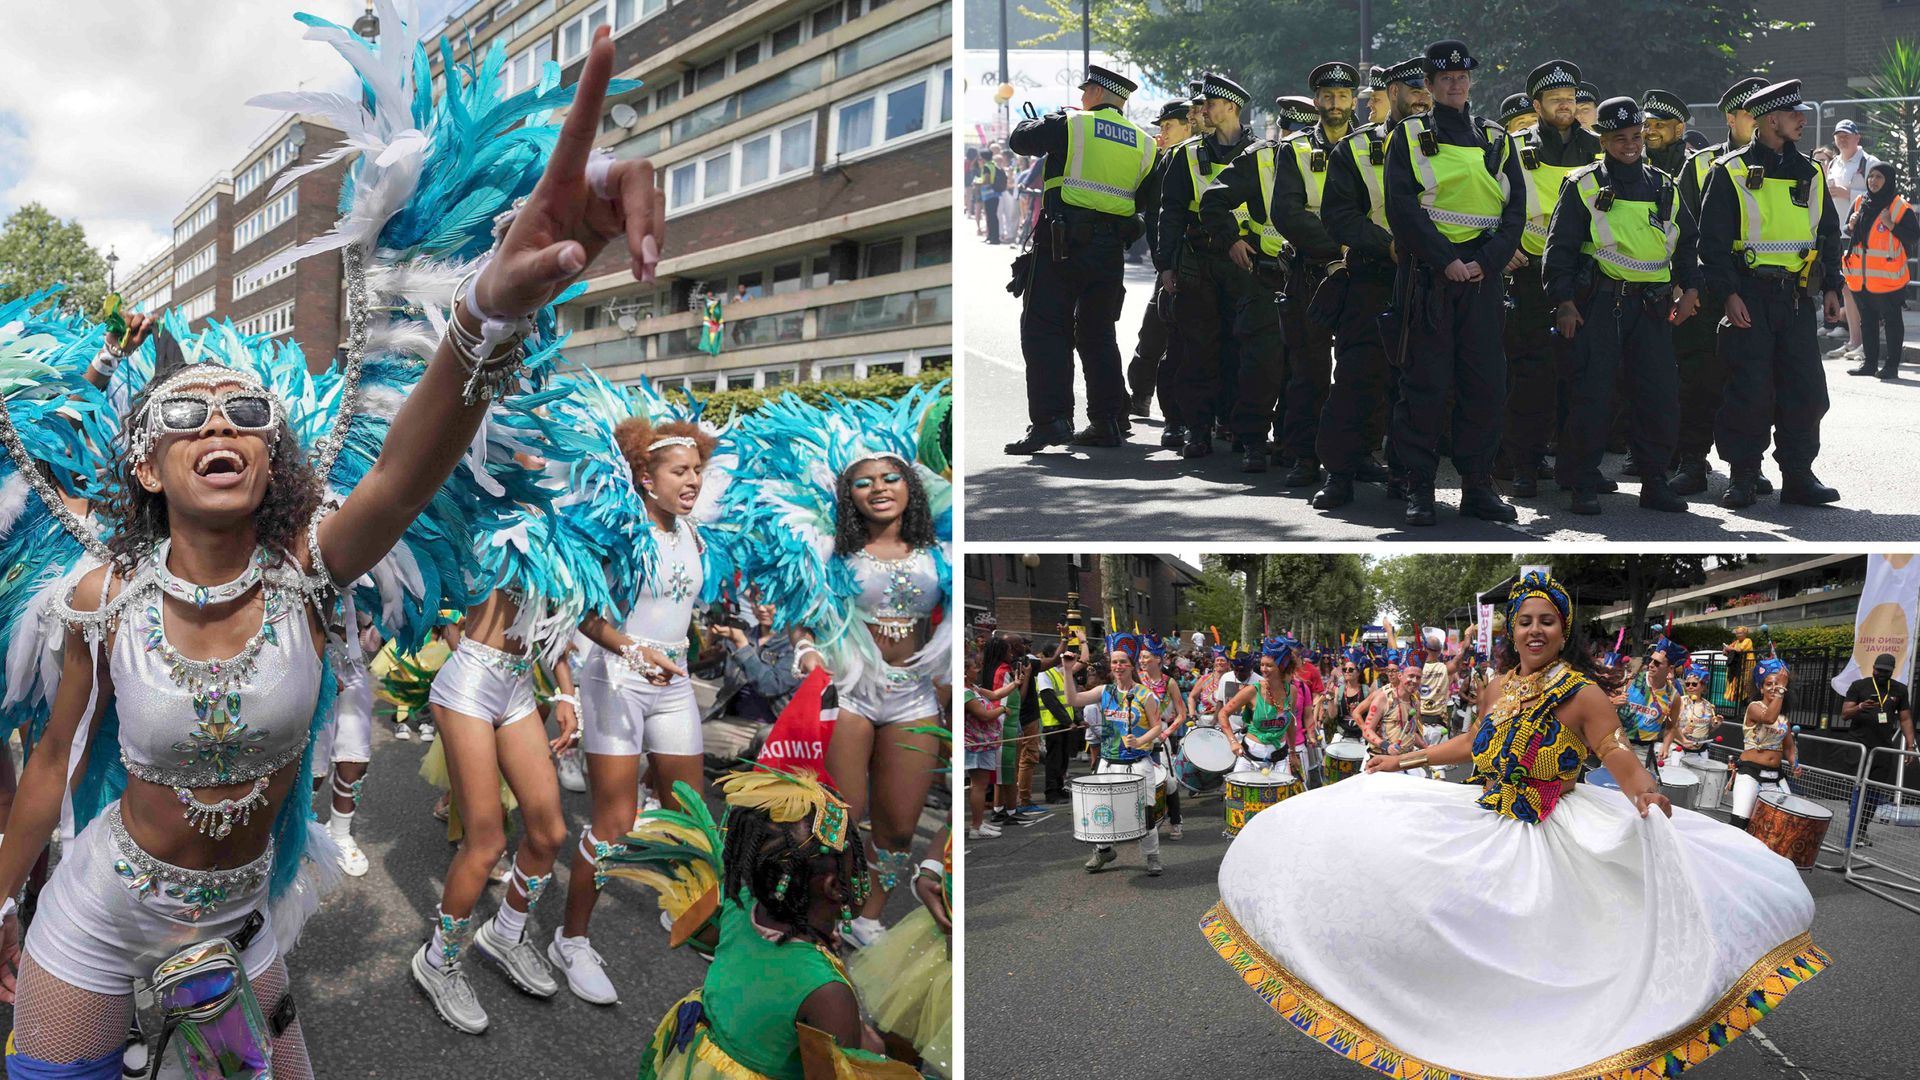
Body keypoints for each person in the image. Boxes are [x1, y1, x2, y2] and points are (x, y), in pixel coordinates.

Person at [1204, 571, 1825, 1080]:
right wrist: (1402, 759)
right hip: (1484, 811)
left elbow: (1619, 757)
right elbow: (1473, 743)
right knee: (1387, 867)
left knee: (1537, 944)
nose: (1533, 629)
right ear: (1513, 629)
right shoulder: (1497, 685)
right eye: (1524, 620)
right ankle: (1441, 1019)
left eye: (1545, 620)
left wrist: (1647, 794)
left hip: (1552, 824)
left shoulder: (1584, 693)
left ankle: (1537, 1039)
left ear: (1564, 630)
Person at [722, 387, 952, 950]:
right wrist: (806, 650)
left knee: (899, 827)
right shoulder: (833, 552)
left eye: (890, 478)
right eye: (864, 481)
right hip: (850, 690)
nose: (879, 489)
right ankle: (832, 913)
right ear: (847, 493)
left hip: (914, 696)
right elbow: (802, 614)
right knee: (841, 821)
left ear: (911, 485)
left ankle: (870, 913)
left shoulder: (944, 548)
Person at [623, 771, 917, 1079]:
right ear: (834, 887)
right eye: (856, 862)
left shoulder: (739, 902)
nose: (861, 872)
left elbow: (705, 940)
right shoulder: (828, 993)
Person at [1383, 39, 1526, 525]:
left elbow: (1515, 212)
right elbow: (1402, 208)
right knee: (1424, 385)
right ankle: (1418, 488)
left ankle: (1477, 486)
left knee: (1484, 386)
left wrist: (1487, 260)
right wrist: (1446, 260)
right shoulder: (1407, 134)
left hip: (1482, 277)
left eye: (1462, 76)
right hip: (1431, 277)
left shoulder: (1496, 137)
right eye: (1444, 77)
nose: (1455, 83)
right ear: (1429, 83)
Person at [1542, 96, 1697, 515]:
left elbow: (1685, 245)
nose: (1629, 145)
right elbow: (1559, 251)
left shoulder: (1664, 184)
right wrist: (1564, 304)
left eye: (1635, 137)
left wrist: (1691, 290)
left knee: (1658, 397)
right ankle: (1581, 480)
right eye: (1618, 138)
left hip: (1651, 308)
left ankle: (1654, 480)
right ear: (1604, 140)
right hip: (1601, 305)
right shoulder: (1585, 185)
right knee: (1592, 396)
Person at [1698, 79, 1845, 510]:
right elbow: (1712, 243)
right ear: (1771, 120)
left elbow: (1828, 235)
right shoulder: (1730, 172)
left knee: (1806, 392)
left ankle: (1798, 476)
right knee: (1748, 390)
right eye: (1795, 114)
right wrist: (1727, 295)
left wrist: (1833, 285)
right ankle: (1743, 476)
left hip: (1796, 300)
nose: (1803, 119)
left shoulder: (1811, 172)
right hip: (1748, 298)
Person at [1004, 67, 1158, 454]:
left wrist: (1041, 119)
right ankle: (1107, 420)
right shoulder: (1146, 143)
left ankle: (1052, 421)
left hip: (1061, 246)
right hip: (1108, 254)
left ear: (1095, 92)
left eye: (1086, 87)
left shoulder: (1072, 124)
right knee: (1099, 335)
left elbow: (1019, 140)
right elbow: (1142, 202)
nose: (1083, 93)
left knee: (1044, 331)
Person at [1196, 74, 1342, 472]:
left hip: (1322, 271)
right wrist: (1230, 240)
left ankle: (1296, 446)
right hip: (1267, 274)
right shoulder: (1262, 157)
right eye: (1288, 129)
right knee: (1263, 365)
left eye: (1298, 129)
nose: (1291, 136)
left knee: (1307, 369)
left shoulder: (1340, 153)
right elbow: (1213, 202)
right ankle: (1255, 440)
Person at [1311, 54, 1430, 509]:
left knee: (1417, 386)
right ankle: (1339, 473)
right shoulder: (1357, 148)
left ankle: (1407, 477)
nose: (1422, 98)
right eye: (1414, 89)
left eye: (1428, 89)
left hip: (1432, 281)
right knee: (1358, 378)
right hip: (1375, 279)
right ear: (1392, 92)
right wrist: (1387, 244)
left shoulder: (1457, 144)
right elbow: (1338, 215)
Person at [1670, 77, 1769, 497]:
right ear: (1731, 117)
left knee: (1753, 383)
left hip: (1755, 292)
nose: (1761, 122)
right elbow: (1680, 227)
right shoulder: (1700, 164)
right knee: (1700, 379)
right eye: (1752, 114)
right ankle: (1693, 461)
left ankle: (1749, 466)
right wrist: (1686, 286)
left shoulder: (1784, 164)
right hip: (1709, 291)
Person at [1507, 60, 1601, 499]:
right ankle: (1525, 464)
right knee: (1532, 375)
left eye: (1570, 98)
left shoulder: (1598, 148)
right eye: (1555, 100)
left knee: (1584, 377)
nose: (1565, 106)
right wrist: (1502, 246)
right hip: (1530, 274)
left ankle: (1578, 463)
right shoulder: (1512, 147)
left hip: (1587, 276)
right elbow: (1495, 202)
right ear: (1536, 104)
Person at [1163, 73, 1261, 460]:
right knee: (1198, 349)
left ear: (1231, 108)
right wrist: (1166, 265)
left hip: (1248, 264)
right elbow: (1169, 214)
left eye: (1209, 104)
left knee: (1245, 348)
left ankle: (1240, 426)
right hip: (1198, 262)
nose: (1202, 110)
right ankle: (1197, 429)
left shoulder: (1264, 152)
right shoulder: (1186, 153)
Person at [1274, 62, 1362, 487]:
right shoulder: (1293, 150)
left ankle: (1355, 455)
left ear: (1353, 101)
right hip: (1311, 272)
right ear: (1316, 102)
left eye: (1342, 97)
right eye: (1327, 97)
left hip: (1361, 272)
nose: (1334, 104)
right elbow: (1287, 213)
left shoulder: (1372, 146)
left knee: (1360, 370)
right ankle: (1304, 457)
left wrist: (1355, 249)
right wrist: (1336, 249)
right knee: (1307, 372)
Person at [1062, 631, 1167, 874]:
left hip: (1138, 763)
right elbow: (1072, 699)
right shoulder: (1104, 692)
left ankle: (1152, 856)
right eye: (1114, 661)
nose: (1118, 666)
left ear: (1131, 666)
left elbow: (1157, 726)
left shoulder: (1144, 694)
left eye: (1123, 662)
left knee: (1146, 814)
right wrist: (1068, 671)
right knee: (1103, 811)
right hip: (1108, 763)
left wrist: (1139, 739)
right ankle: (1103, 851)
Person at [1126, 100, 1197, 421]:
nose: (1162, 132)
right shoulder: (1162, 160)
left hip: (1199, 260)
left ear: (1188, 125)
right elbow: (1142, 203)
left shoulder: (1201, 158)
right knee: (1153, 331)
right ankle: (1140, 395)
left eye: (1168, 126)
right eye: (1161, 127)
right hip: (1167, 261)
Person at [1842, 161, 1916, 379]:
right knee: (1868, 320)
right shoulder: (1860, 202)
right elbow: (1848, 229)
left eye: (1879, 177)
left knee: (1893, 321)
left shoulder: (1899, 206)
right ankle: (1870, 364)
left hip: (1889, 278)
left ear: (1889, 180)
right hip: (1861, 278)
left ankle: (1891, 366)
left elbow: (1913, 236)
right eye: (1871, 176)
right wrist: (1851, 225)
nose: (1873, 181)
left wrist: (1891, 224)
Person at [1217, 636, 1320, 787]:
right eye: (1262, 665)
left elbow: (1290, 723)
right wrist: (1233, 741)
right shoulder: (1252, 691)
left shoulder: (1291, 691)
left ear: (1282, 667)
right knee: (1240, 803)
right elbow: (1223, 713)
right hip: (1250, 756)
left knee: (1282, 803)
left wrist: (1292, 753)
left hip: (1280, 754)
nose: (1264, 669)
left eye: (1269, 666)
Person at [1838, 652, 1916, 847]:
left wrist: (1910, 744)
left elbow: (1905, 718)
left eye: (1885, 672)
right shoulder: (1859, 686)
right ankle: (1852, 829)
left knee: (1873, 791)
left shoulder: (1899, 690)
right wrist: (1860, 707)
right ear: (1873, 668)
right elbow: (1845, 714)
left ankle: (1861, 830)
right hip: (1859, 746)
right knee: (1856, 788)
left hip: (1882, 749)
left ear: (1892, 672)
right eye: (1878, 670)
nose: (1881, 674)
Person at [1826, 119, 1882, 364]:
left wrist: (1849, 194)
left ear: (1858, 138)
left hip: (1861, 235)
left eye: (1847, 135)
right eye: (1839, 135)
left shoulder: (1869, 162)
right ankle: (1854, 341)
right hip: (1839, 233)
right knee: (1847, 287)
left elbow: (1880, 193)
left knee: (1863, 289)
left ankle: (1867, 343)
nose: (1842, 139)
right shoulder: (1834, 164)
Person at [1730, 658, 1800, 830]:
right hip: (1750, 773)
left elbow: (1789, 747)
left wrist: (1794, 763)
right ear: (1761, 688)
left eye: (1778, 684)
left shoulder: (1783, 719)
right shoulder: (1754, 707)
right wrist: (1782, 689)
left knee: (1785, 823)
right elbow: (1769, 717)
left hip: (1776, 775)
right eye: (1769, 684)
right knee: (1740, 822)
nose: (1774, 687)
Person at [1138, 636, 1188, 837]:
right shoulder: (1137, 679)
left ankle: (1176, 820)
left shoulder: (1170, 683)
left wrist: (1166, 732)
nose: (1142, 660)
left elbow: (1182, 714)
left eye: (1146, 656)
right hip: (1139, 736)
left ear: (1158, 659)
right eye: (1141, 657)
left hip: (1161, 737)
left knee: (1169, 781)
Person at [1621, 637, 1685, 767]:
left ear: (1670, 668)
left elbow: (1671, 726)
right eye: (1651, 660)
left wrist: (1665, 746)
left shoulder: (1673, 696)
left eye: (1657, 663)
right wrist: (1612, 702)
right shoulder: (1631, 681)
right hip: (1618, 743)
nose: (1651, 664)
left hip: (1643, 751)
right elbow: (1605, 702)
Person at [963, 648, 1006, 839]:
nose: (978, 670)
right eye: (975, 667)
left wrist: (1016, 683)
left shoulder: (974, 688)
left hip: (985, 744)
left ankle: (979, 822)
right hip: (975, 745)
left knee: (981, 785)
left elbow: (996, 695)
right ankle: (975, 827)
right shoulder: (964, 693)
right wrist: (1003, 709)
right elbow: (984, 714)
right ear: (965, 671)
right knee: (978, 786)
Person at [1641, 90, 1691, 177]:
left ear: (1679, 129)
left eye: (1659, 125)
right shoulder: (1633, 162)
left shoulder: (1692, 164)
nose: (1649, 131)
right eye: (1646, 124)